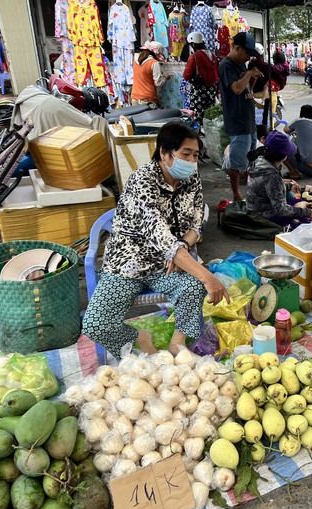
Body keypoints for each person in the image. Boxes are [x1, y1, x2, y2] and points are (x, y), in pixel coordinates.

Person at [82, 122, 229, 359]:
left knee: (193, 287)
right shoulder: (142, 182)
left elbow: (195, 223)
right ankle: (139, 338)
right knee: (96, 324)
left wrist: (183, 246)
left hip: (166, 264)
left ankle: (177, 343)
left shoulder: (192, 179)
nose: (192, 161)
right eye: (185, 154)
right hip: (128, 263)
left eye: (195, 155)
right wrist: (207, 276)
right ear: (164, 152)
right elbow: (162, 238)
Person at [218, 32, 263, 202]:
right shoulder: (226, 65)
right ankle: (236, 195)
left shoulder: (241, 65)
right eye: (247, 53)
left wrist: (252, 76)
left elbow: (246, 91)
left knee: (249, 158)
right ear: (237, 48)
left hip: (248, 119)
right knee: (237, 160)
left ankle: (250, 189)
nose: (248, 57)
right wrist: (248, 74)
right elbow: (237, 88)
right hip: (237, 120)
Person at [246, 131, 312, 229]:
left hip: (255, 206)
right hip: (262, 215)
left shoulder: (259, 159)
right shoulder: (272, 176)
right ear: (284, 156)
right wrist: (307, 212)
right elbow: (281, 210)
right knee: (306, 221)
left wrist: (288, 186)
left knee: (292, 197)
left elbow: (265, 187)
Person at [283, 104, 312, 179]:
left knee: (281, 146)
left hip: (307, 168)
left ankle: (293, 173)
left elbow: (285, 129)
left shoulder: (299, 121)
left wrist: (293, 131)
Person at [182, 31, 218, 124]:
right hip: (212, 90)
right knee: (210, 116)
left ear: (193, 44)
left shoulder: (194, 57)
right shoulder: (213, 57)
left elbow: (186, 75)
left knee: (197, 116)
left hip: (198, 91)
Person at [131, 41, 170, 106]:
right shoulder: (154, 63)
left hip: (135, 97)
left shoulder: (135, 61)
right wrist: (165, 78)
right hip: (148, 99)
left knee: (137, 116)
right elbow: (158, 83)